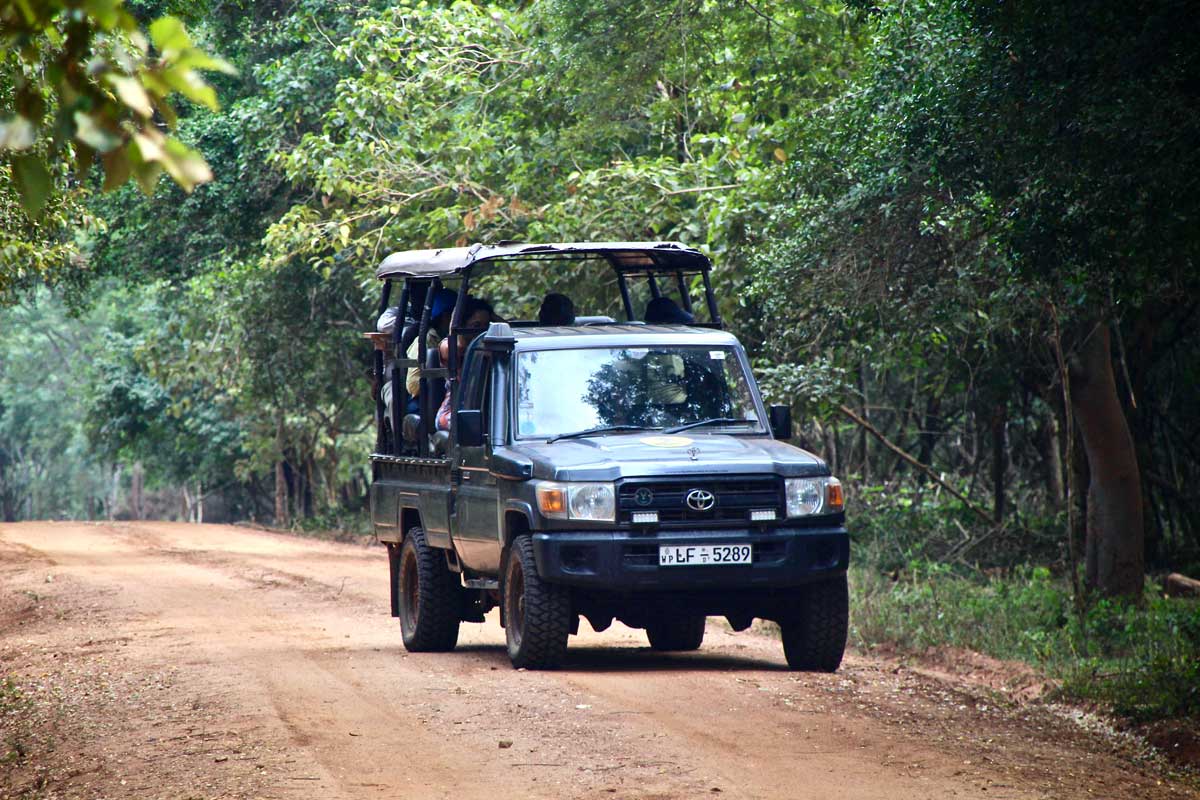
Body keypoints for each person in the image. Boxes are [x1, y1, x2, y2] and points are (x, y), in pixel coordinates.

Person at [378, 288, 457, 421]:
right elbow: (413, 387)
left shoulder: (460, 341)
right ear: (445, 317)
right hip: (423, 401)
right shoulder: (426, 340)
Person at [436, 297, 497, 431]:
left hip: (491, 409)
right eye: (476, 326)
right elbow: (456, 347)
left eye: (486, 326)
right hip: (455, 411)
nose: (482, 332)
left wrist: (494, 319)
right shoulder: (449, 346)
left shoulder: (493, 348)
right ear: (462, 326)